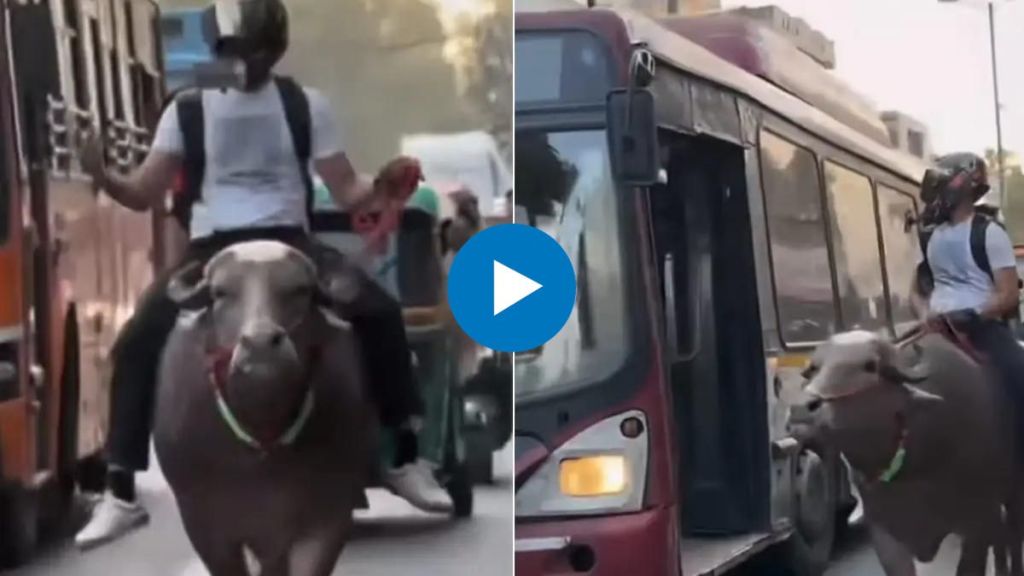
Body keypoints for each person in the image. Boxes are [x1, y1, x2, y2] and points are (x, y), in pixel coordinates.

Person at [74, 0, 452, 550]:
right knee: (136, 342)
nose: (244, 64)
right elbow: (143, 191)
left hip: (290, 242)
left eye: (254, 53)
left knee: (378, 311)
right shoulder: (187, 109)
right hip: (210, 251)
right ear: (217, 50)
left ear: (274, 51)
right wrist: (103, 175)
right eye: (233, 52)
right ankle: (120, 488)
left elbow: (348, 192)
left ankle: (403, 456)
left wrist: (384, 186)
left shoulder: (305, 105)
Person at [911, 151, 1024, 453]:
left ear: (961, 186)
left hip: (981, 329)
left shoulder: (990, 233)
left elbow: (1009, 293)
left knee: (1019, 374)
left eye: (939, 184)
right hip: (935, 330)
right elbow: (917, 290)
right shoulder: (928, 236)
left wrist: (973, 314)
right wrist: (924, 314)